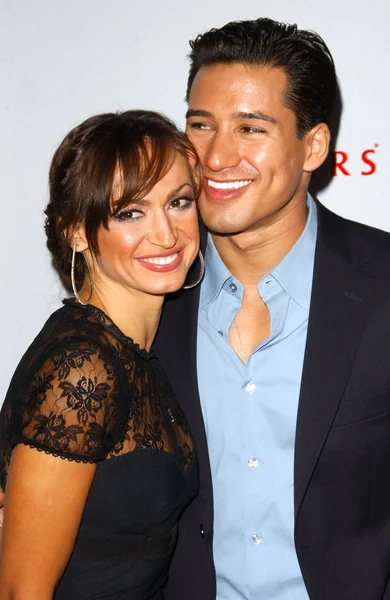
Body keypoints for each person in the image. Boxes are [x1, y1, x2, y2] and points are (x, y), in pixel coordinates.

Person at [152, 17, 390, 600]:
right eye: (200, 125)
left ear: (313, 146)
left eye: (251, 128)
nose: (215, 155)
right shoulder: (145, 295)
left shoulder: (383, 284)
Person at [0, 109, 202, 599]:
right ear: (76, 232)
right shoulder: (84, 363)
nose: (166, 234)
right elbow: (22, 591)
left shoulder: (139, 354)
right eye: (130, 213)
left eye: (178, 202)